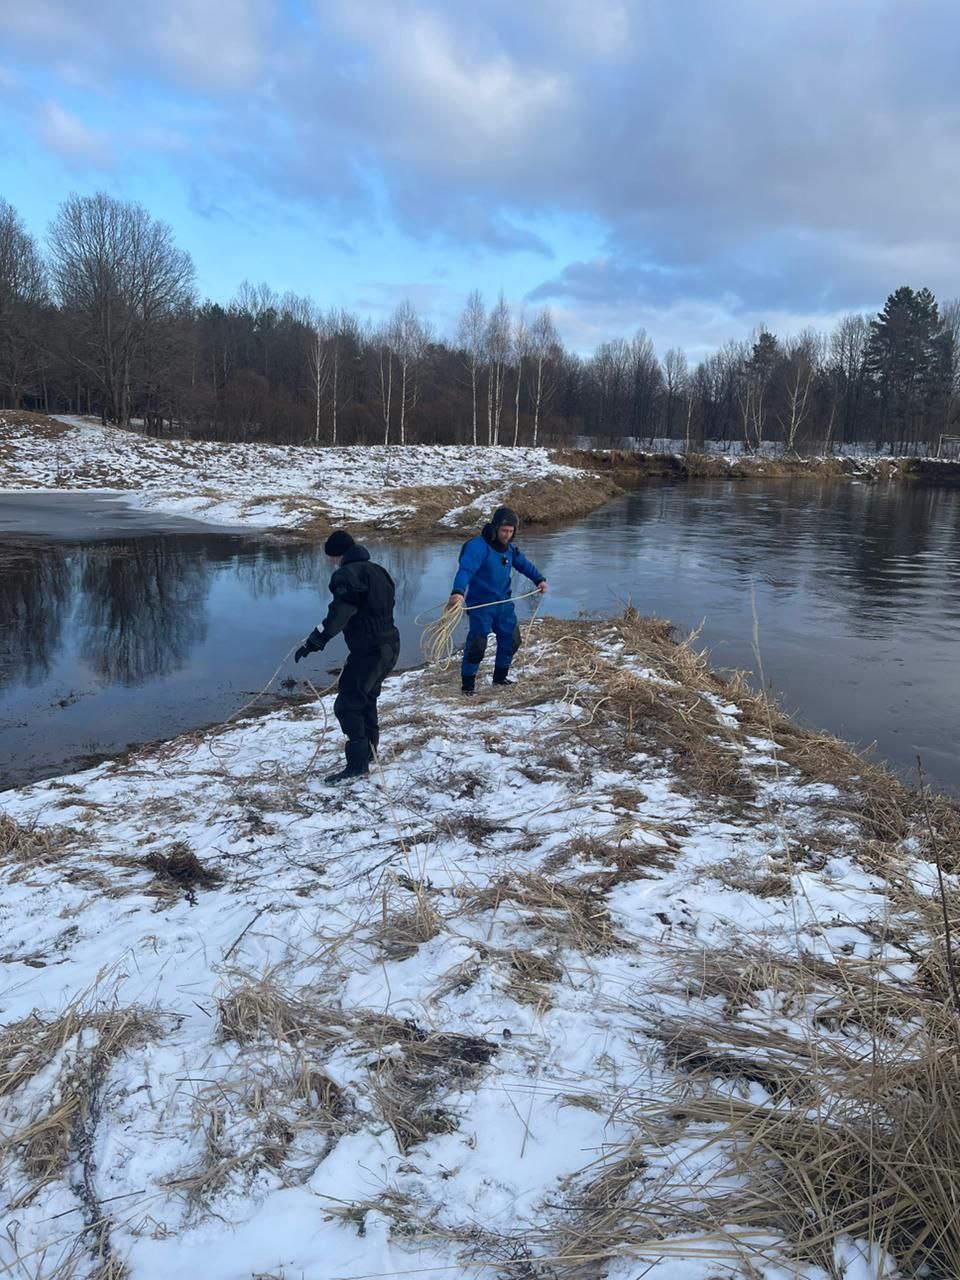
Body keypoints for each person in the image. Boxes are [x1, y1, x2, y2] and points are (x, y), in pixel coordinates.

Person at [295, 530, 400, 784]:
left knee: (348, 704)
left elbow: (340, 614)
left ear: (337, 555)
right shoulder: (378, 570)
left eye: (331, 557)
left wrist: (314, 641)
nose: (332, 562)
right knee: (367, 698)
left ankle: (357, 766)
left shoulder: (346, 575)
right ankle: (370, 752)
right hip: (390, 645)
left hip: (370, 650)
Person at [447, 506, 547, 695]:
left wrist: (539, 579)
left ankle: (500, 679)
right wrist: (458, 591)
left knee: (511, 640)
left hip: (504, 605)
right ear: (495, 528)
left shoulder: (510, 550)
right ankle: (468, 686)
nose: (507, 535)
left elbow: (524, 565)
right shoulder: (478, 546)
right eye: (504, 531)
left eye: (511, 531)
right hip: (481, 605)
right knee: (477, 646)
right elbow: (465, 570)